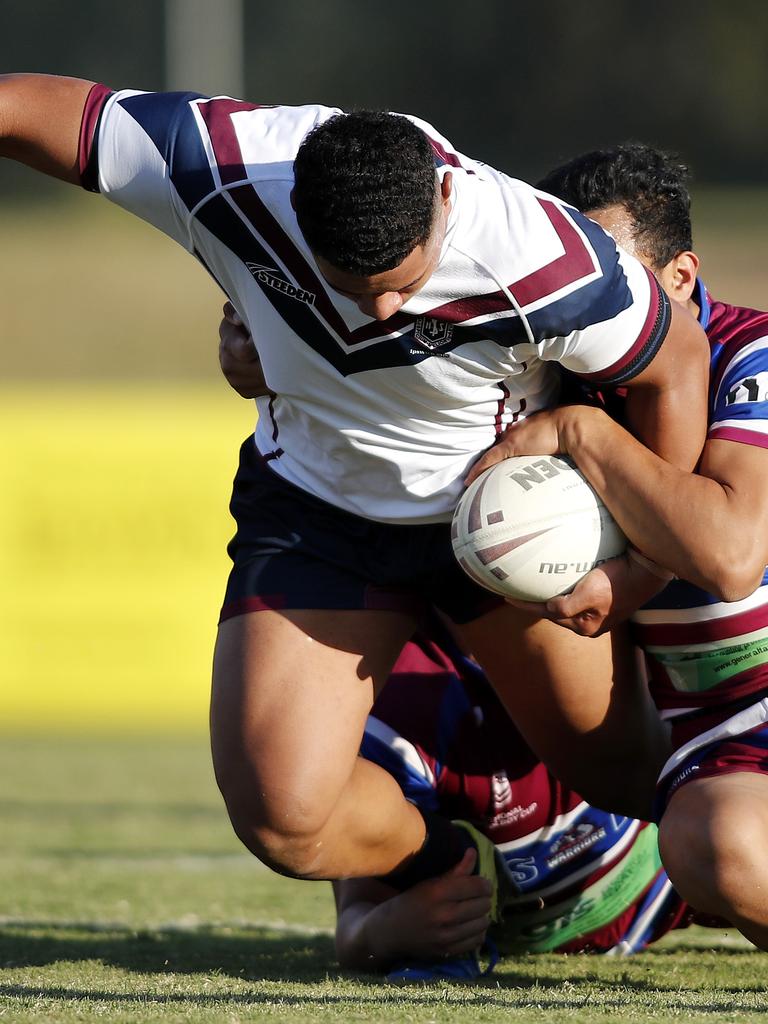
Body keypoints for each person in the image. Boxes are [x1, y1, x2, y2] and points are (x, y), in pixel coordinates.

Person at [0, 77, 708, 903]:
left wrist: (643, 567)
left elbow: (679, 363)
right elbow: (21, 110)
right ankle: (450, 864)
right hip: (316, 516)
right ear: (296, 216)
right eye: (352, 284)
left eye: (405, 282)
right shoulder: (221, 167)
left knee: (624, 774)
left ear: (445, 197)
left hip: (502, 523)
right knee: (283, 820)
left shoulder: (543, 255)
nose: (384, 310)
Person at [474, 142, 768, 949]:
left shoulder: (755, 356)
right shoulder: (545, 375)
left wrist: (584, 435)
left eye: (612, 281)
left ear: (680, 278)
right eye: (569, 283)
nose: (586, 307)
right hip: (727, 728)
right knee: (717, 843)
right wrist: (263, 355)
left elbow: (732, 554)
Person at [333, 621, 703, 981]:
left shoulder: (620, 611)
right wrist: (388, 929)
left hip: (671, 886)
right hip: (506, 935)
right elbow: (356, 920)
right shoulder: (395, 693)